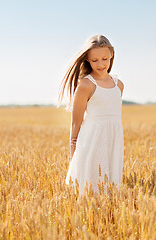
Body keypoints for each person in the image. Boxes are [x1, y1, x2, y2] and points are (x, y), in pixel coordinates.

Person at [58, 34, 124, 194]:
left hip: (114, 139)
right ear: (87, 59)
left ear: (111, 55)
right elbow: (76, 123)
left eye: (104, 59)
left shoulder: (119, 85)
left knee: (112, 186)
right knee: (90, 187)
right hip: (92, 140)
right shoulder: (86, 85)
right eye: (94, 60)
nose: (100, 64)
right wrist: (74, 156)